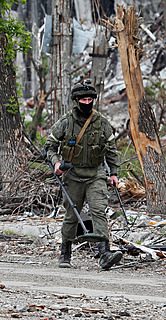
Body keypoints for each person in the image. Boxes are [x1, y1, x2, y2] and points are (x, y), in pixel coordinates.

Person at [44, 79, 123, 270]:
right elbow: (49, 146)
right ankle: (65, 252)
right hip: (72, 175)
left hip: (95, 174)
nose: (86, 103)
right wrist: (56, 163)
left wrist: (113, 173)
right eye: (83, 100)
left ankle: (104, 253)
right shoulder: (65, 122)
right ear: (76, 100)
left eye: (89, 99)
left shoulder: (102, 123)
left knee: (98, 210)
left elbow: (111, 150)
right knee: (72, 213)